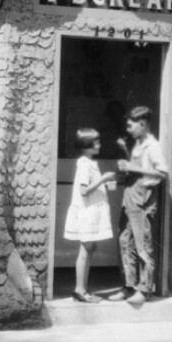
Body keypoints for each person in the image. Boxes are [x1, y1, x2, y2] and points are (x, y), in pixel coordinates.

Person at [111, 106, 168, 306]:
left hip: (143, 199)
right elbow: (137, 168)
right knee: (125, 242)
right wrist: (126, 157)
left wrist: (132, 167)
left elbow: (162, 173)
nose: (128, 129)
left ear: (142, 125)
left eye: (131, 126)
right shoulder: (137, 144)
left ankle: (144, 289)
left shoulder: (153, 146)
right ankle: (128, 286)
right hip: (129, 197)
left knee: (143, 245)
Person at [64, 128, 117, 303]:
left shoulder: (90, 163)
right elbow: (84, 190)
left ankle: (84, 288)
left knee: (89, 249)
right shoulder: (84, 164)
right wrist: (103, 179)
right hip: (86, 213)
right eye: (96, 142)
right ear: (87, 145)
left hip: (92, 212)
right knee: (85, 249)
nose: (100, 145)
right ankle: (79, 290)